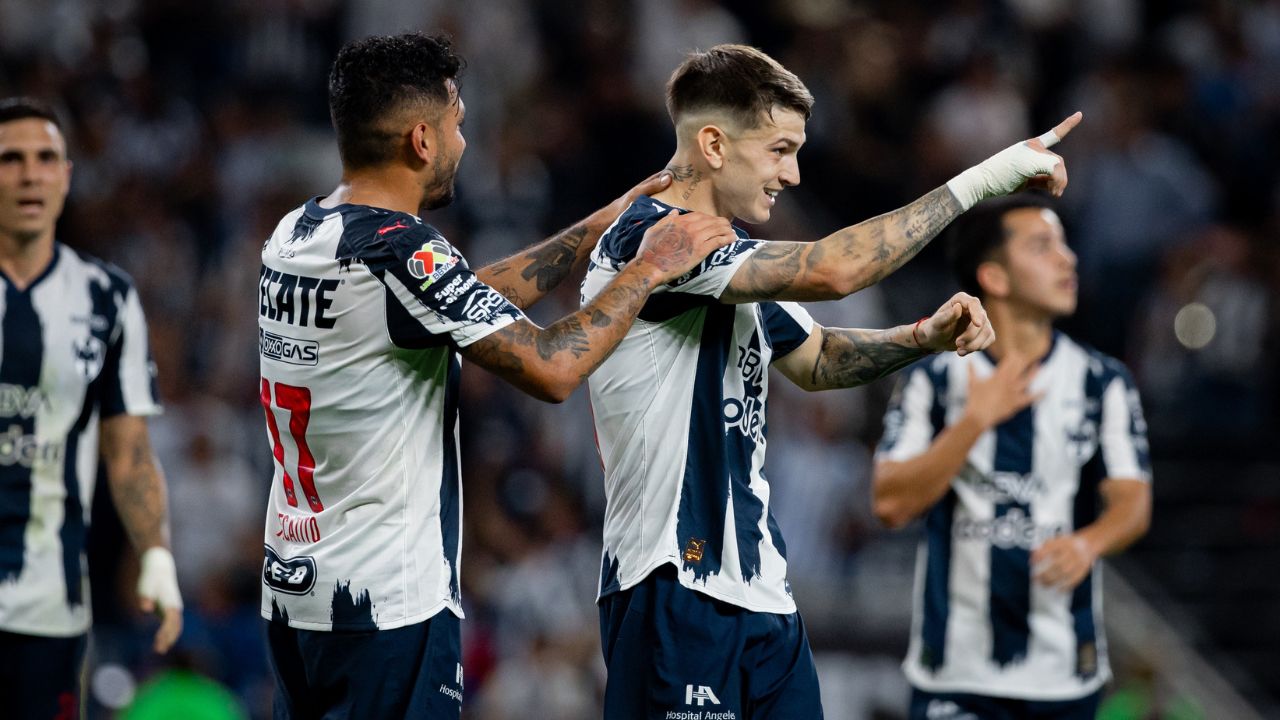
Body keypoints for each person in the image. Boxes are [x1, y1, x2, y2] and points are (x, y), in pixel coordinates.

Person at [582, 43, 1078, 719]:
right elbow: (834, 270)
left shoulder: (727, 259)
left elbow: (814, 359)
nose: (791, 174)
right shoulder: (655, 241)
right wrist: (984, 180)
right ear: (714, 145)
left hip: (761, 595)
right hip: (672, 583)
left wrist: (920, 337)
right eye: (779, 149)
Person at [256, 33, 735, 720]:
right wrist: (648, 267)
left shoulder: (297, 234)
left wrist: (595, 229)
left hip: (295, 592)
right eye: (457, 122)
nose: (464, 141)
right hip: (386, 608)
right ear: (421, 139)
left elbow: (451, 301)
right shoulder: (406, 253)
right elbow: (552, 367)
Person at [872, 194, 1153, 720]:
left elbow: (1133, 503)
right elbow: (890, 504)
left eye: (1065, 245)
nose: (1068, 258)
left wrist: (1089, 542)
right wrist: (975, 420)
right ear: (995, 278)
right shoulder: (933, 379)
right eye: (1043, 246)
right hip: (955, 677)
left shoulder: (1103, 381)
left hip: (1063, 677)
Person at [0, 97, 183, 718]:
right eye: (11, 159)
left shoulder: (107, 298)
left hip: (51, 606)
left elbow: (128, 452)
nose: (30, 174)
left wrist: (155, 553)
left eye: (46, 159)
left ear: (67, 176)